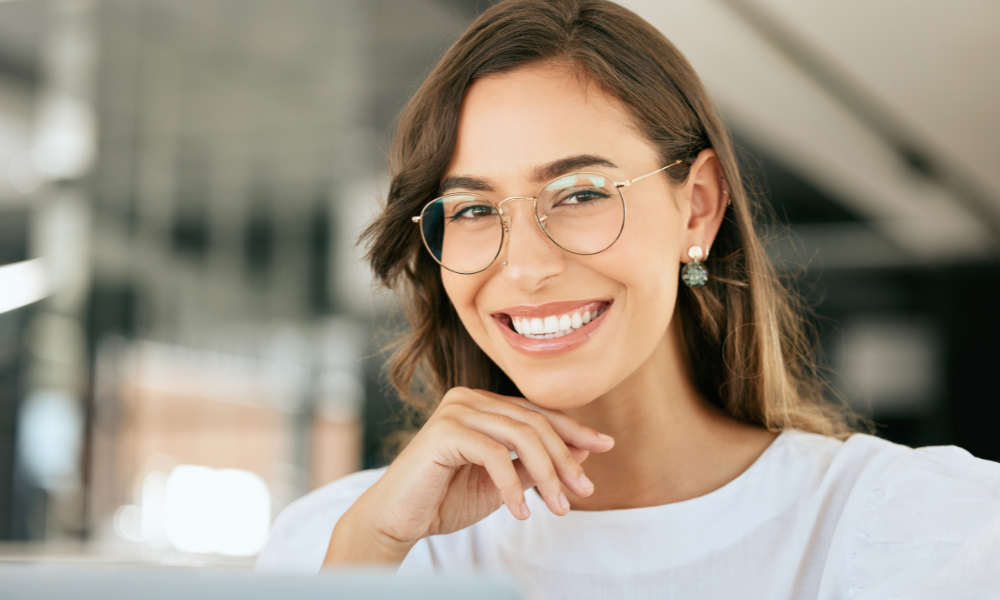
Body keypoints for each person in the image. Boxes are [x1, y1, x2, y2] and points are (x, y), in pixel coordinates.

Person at [256, 1, 1000, 597]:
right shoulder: (347, 541)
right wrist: (368, 555)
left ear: (698, 207)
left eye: (580, 194)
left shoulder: (914, 530)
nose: (527, 268)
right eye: (475, 209)